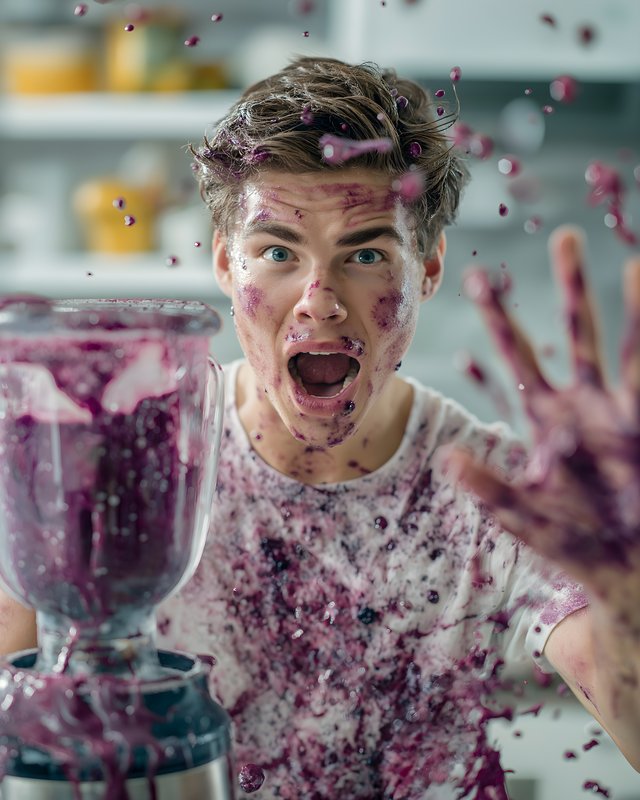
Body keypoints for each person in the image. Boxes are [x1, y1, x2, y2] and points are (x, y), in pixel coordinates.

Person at [2, 56, 640, 798]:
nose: (318, 301)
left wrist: (623, 581)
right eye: (276, 252)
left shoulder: (499, 490)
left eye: (365, 254)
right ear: (223, 262)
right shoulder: (129, 468)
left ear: (427, 269)